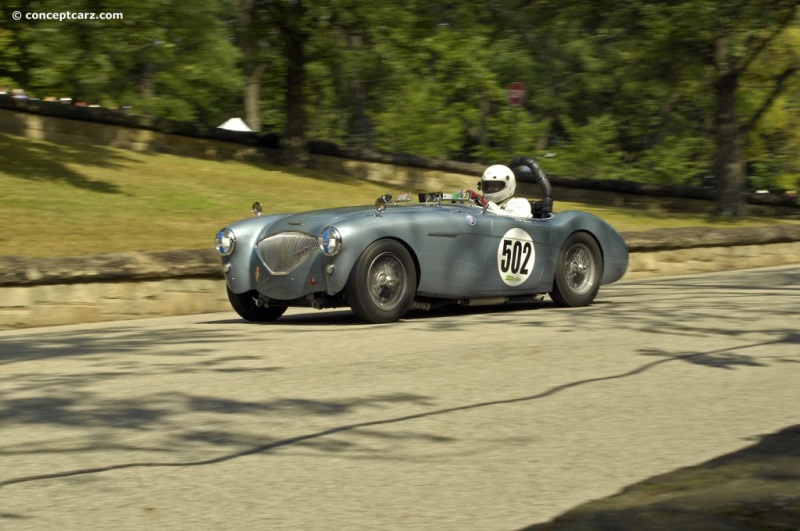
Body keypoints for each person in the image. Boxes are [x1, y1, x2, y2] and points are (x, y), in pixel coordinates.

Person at [467, 164, 533, 218]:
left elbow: (513, 219)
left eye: (494, 186)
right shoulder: (480, 204)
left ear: (508, 185)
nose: (490, 189)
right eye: (487, 186)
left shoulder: (520, 203)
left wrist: (487, 204)